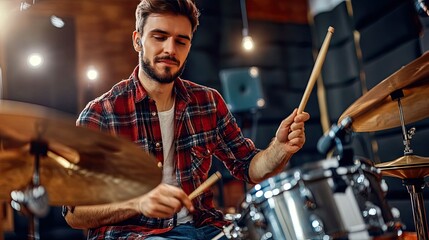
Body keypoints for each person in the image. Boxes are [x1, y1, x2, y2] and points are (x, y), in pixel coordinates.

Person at [64, 0, 310, 239]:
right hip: (136, 233)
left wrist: (280, 148)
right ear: (138, 41)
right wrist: (138, 203)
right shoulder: (101, 113)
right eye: (159, 37)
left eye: (181, 41)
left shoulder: (208, 102)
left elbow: (249, 167)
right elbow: (74, 214)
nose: (170, 49)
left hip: (205, 227)